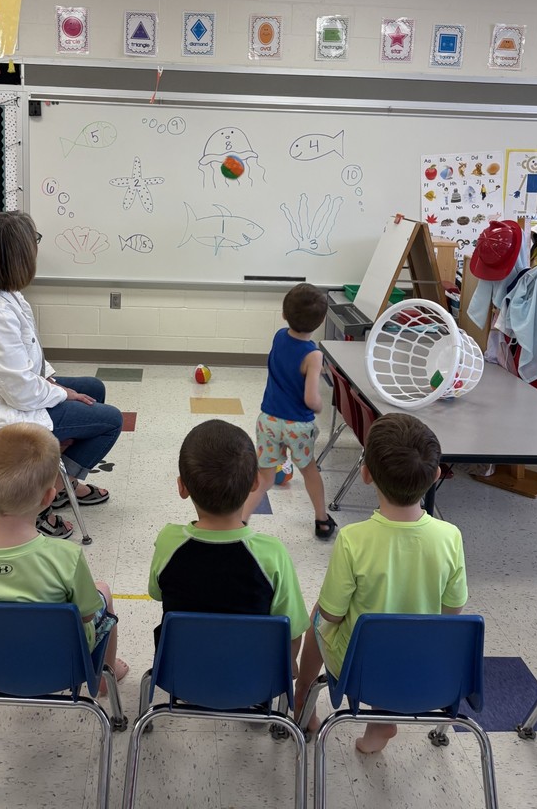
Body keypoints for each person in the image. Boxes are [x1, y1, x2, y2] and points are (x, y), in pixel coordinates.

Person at [0, 210, 123, 539]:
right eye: (34, 242)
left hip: (0, 394)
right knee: (110, 421)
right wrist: (63, 393)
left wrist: (50, 380)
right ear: (18, 257)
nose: (37, 248)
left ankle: (61, 483)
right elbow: (20, 392)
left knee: (94, 388)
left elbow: (27, 350)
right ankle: (40, 499)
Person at [295, 413, 467, 754]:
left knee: (316, 616)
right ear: (435, 476)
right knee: (396, 627)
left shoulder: (353, 540)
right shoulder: (450, 537)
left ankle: (302, 697)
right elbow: (452, 612)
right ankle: (379, 724)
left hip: (361, 666)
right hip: (423, 664)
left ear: (366, 473)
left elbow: (330, 615)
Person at [0, 422, 128, 690]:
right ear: (49, 497)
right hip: (63, 660)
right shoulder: (66, 556)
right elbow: (87, 617)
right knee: (103, 591)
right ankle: (102, 677)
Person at [148, 419, 310, 659]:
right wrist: (288, 666)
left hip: (181, 675)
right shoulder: (271, 553)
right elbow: (293, 630)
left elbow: (156, 593)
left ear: (182, 488)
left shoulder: (168, 541)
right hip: (254, 681)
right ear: (255, 483)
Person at [242, 282, 336, 539]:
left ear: (284, 314)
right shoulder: (314, 355)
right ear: (320, 321)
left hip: (268, 420)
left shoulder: (279, 336)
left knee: (265, 478)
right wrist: (319, 405)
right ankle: (322, 519)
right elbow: (310, 398)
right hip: (297, 426)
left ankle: (240, 523)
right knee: (309, 471)